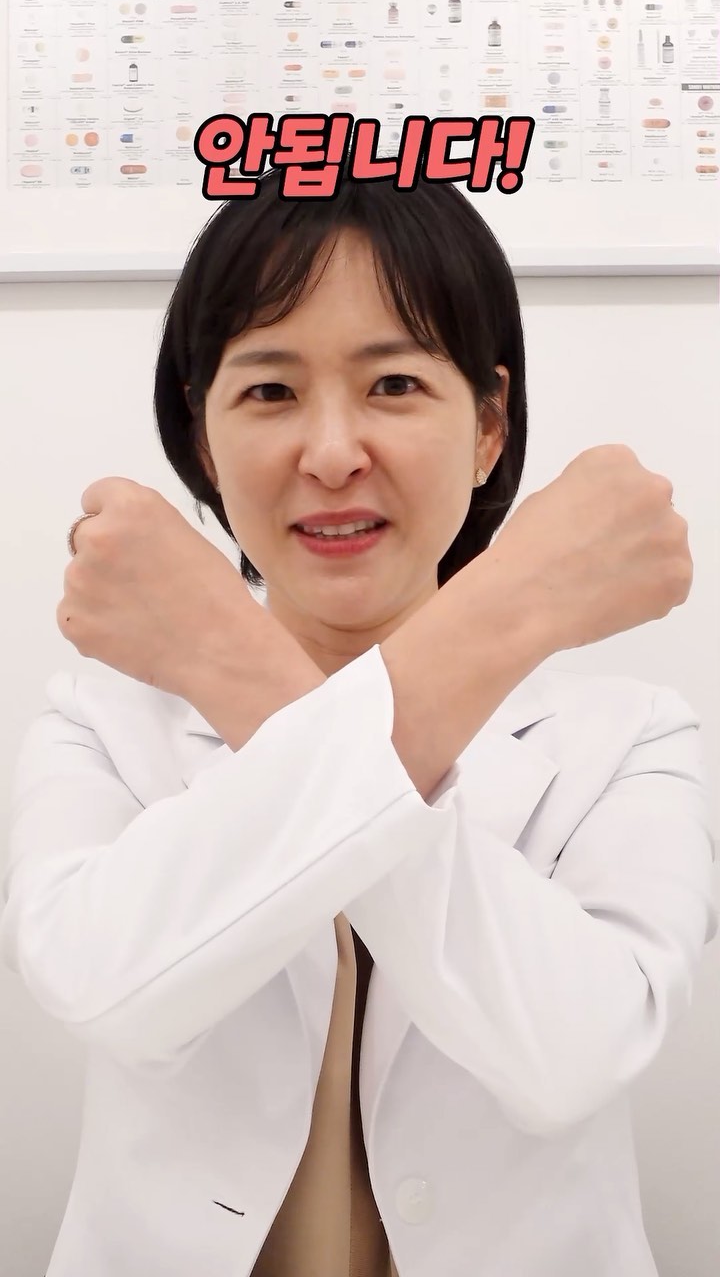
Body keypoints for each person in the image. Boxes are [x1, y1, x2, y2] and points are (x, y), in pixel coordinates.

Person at [1, 164, 716, 1277]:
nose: (332, 453)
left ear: (488, 428)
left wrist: (235, 666)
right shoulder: (99, 721)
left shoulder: (632, 739)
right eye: (270, 392)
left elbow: (570, 1055)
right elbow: (109, 988)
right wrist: (504, 604)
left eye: (393, 384)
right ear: (201, 440)